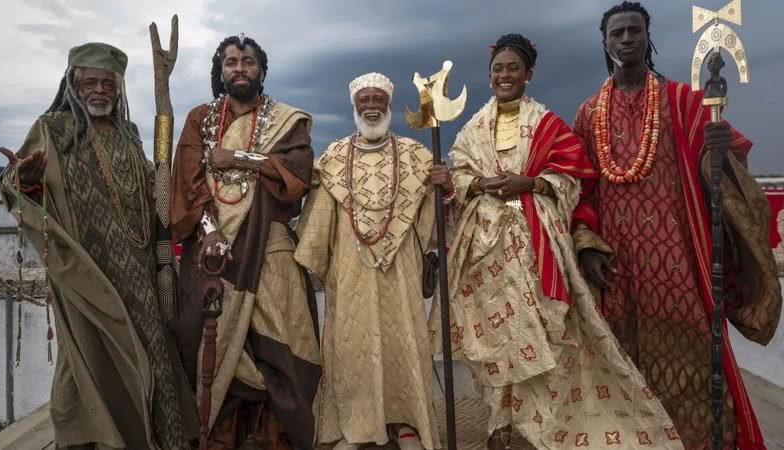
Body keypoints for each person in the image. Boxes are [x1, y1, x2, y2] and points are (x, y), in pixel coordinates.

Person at [431, 33, 683, 450]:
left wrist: (529, 182)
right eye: (498, 69)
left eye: (513, 68)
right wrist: (473, 184)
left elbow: (573, 180)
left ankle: (541, 427)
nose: (504, 75)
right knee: (494, 342)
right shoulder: (472, 129)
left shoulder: (549, 125)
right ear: (489, 76)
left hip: (534, 247)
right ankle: (498, 424)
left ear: (528, 74)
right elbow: (458, 180)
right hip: (485, 253)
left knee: (540, 337)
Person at [572, 2, 781, 448]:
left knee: (691, 356)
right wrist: (586, 244)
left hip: (678, 260)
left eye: (634, 30)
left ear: (648, 37)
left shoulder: (685, 101)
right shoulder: (588, 114)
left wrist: (718, 149)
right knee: (620, 360)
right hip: (616, 265)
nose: (626, 39)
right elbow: (580, 189)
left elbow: (721, 165)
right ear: (604, 43)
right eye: (616, 33)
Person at [0, 42, 198, 449]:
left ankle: (163, 439)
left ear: (119, 88)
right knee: (90, 359)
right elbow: (16, 183)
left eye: (109, 83)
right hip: (88, 272)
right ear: (73, 84)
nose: (100, 90)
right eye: (91, 82)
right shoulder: (52, 129)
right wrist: (27, 182)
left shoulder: (129, 133)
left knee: (155, 354)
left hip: (140, 271)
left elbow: (153, 187)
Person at [169, 35, 320, 450]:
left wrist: (238, 158)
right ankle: (221, 432)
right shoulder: (201, 119)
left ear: (262, 71)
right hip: (213, 255)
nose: (240, 68)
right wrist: (210, 231)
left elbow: (299, 174)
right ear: (221, 71)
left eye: (248, 61)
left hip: (270, 250)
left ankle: (277, 433)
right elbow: (187, 181)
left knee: (281, 343)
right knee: (210, 342)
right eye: (232, 62)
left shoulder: (287, 121)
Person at [294, 72, 440, 450]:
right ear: (354, 105)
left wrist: (444, 187)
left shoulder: (414, 155)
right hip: (350, 265)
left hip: (401, 266)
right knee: (351, 346)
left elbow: (435, 210)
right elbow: (319, 214)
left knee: (404, 341)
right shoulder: (334, 157)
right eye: (364, 100)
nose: (371, 106)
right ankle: (356, 428)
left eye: (378, 99)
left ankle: (406, 424)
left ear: (388, 105)